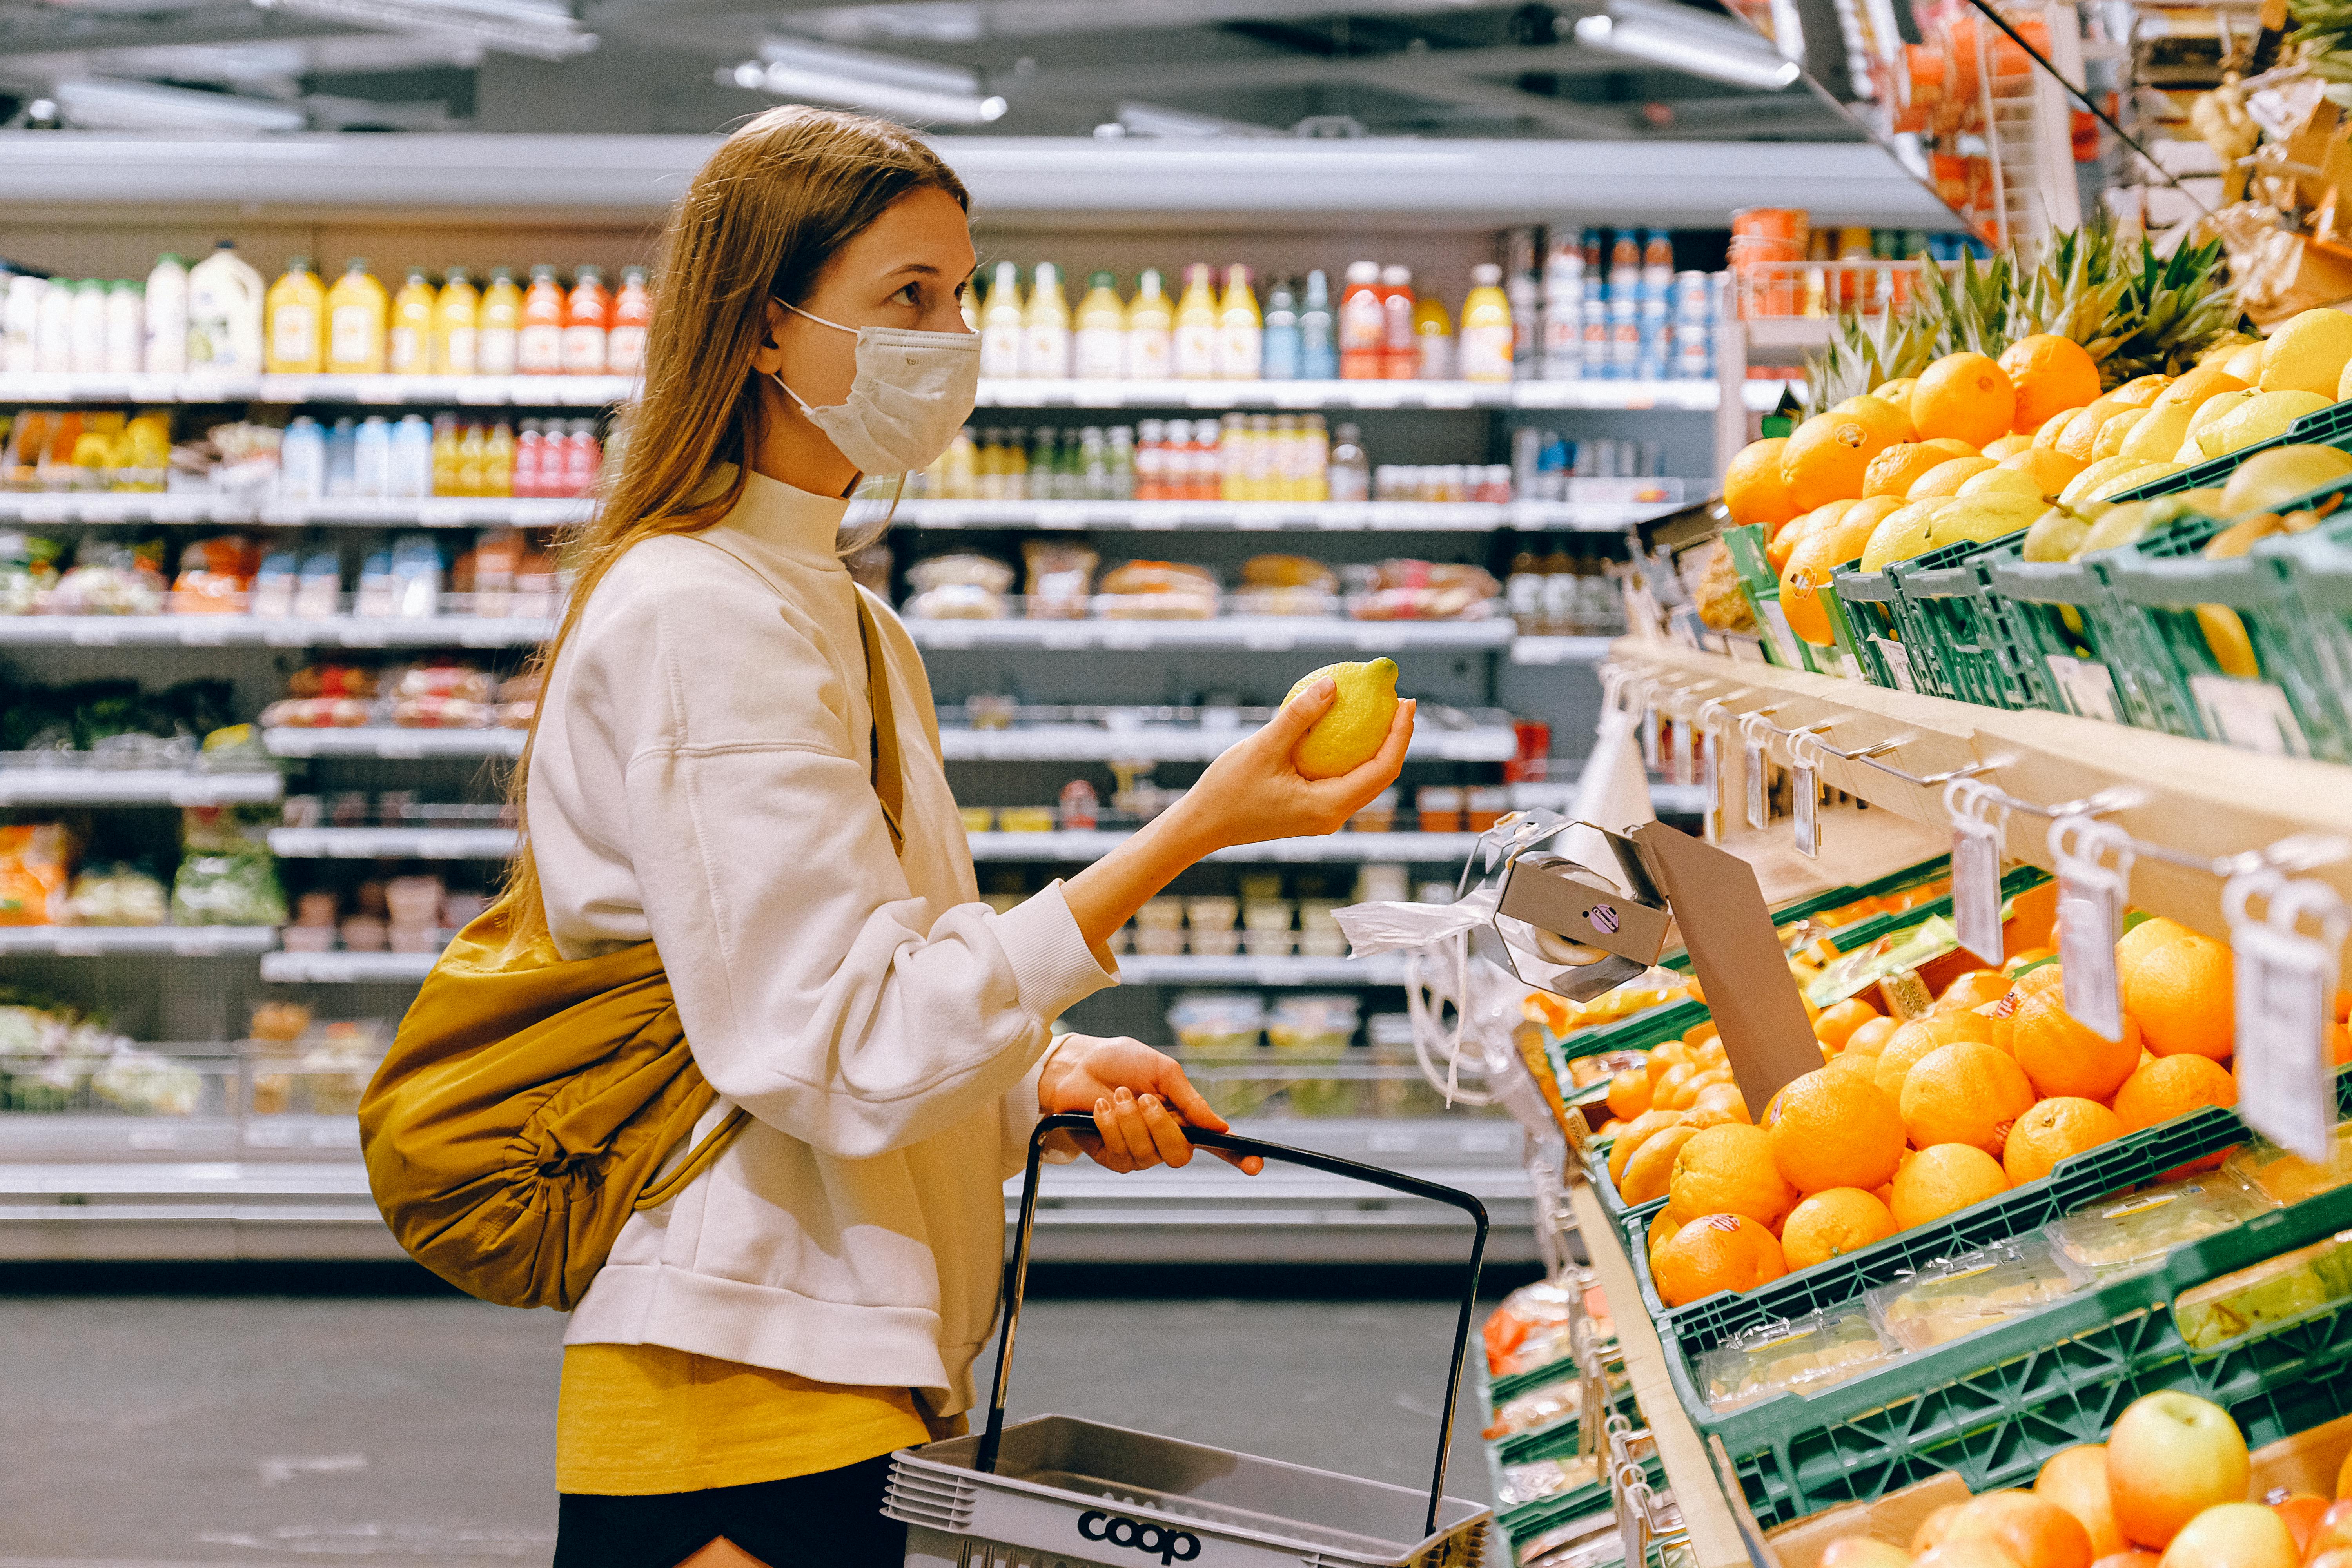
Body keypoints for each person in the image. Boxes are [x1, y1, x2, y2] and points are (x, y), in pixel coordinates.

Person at [515, 106, 1414, 1567]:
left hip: (844, 1360)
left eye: (964, 293)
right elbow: (831, 1044)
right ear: (761, 328)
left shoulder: (842, 617)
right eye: (907, 298)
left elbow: (859, 993)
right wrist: (1191, 832)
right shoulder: (703, 615)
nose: (954, 336)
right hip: (740, 1379)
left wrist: (1030, 1079)